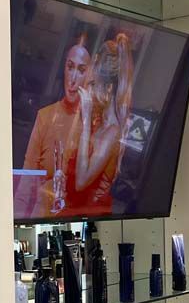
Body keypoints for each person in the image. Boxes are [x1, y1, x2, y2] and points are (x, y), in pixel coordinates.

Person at [17, 37, 92, 217]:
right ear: (63, 69)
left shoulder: (94, 124)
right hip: (42, 218)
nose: (73, 79)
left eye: (81, 70)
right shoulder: (45, 116)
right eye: (70, 67)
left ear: (89, 76)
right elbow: (26, 184)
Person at [75, 32, 133, 215]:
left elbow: (81, 182)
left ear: (108, 88)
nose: (89, 89)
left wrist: (86, 119)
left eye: (93, 84)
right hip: (82, 211)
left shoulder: (112, 132)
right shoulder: (101, 123)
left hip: (93, 213)